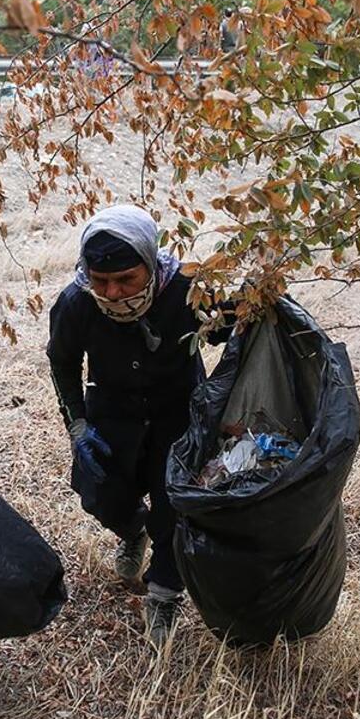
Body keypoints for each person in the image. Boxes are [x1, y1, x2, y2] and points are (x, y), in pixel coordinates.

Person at [47, 205, 227, 646]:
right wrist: (78, 427)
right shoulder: (76, 303)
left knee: (175, 507)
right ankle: (132, 529)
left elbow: (235, 328)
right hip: (113, 411)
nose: (112, 292)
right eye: (100, 279)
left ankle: (164, 595)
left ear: (151, 262)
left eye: (127, 279)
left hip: (178, 412)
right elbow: (63, 363)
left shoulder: (187, 290)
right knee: (100, 493)